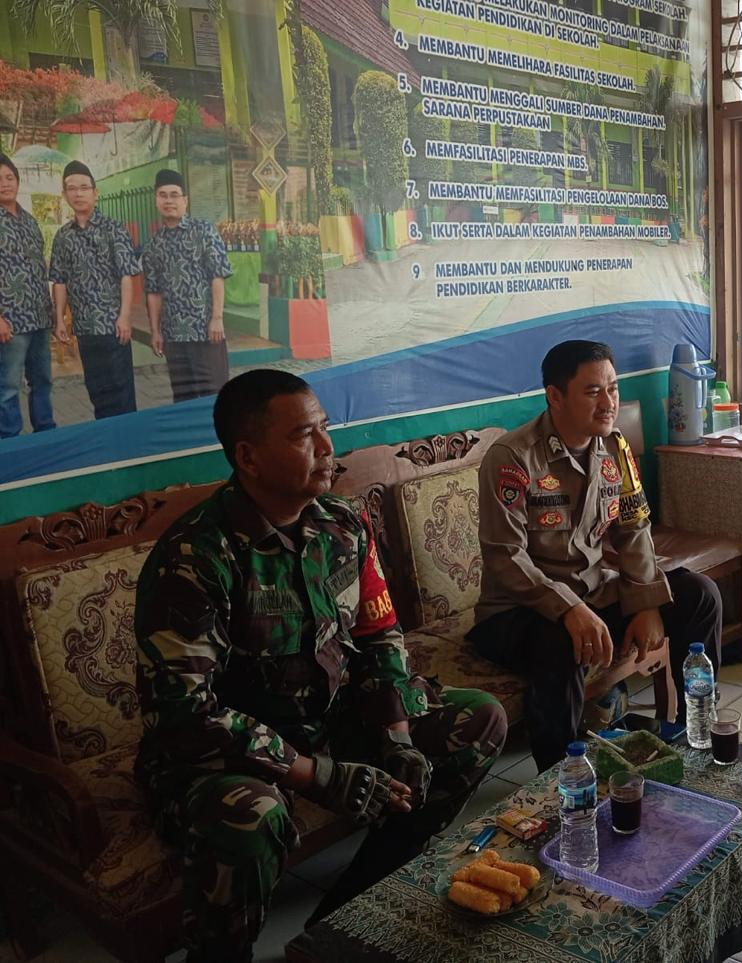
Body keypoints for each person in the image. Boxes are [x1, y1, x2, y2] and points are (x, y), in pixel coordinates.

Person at [134, 369, 507, 962]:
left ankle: (344, 923)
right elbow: (186, 713)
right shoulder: (197, 557)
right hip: (225, 754)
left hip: (329, 719)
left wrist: (396, 736)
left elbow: (380, 635)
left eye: (325, 428)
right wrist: (316, 775)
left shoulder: (343, 523)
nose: (328, 447)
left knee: (478, 720)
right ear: (248, 457)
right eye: (304, 435)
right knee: (251, 819)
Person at [468, 339, 723, 772]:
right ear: (555, 396)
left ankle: (695, 733)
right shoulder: (513, 458)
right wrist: (568, 609)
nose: (608, 403)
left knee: (699, 594)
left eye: (613, 388)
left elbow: (633, 529)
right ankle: (561, 777)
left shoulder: (614, 449)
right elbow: (505, 557)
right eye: (592, 392)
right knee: (561, 641)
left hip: (591, 596)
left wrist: (645, 603)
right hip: (516, 613)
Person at [50, 160, 143, 419]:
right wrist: (60, 319)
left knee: (121, 391)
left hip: (113, 326)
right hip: (85, 328)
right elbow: (59, 280)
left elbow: (126, 275)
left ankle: (126, 438)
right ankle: (106, 437)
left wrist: (125, 316)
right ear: (64, 195)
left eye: (84, 188)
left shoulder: (113, 229)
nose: (78, 193)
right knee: (97, 390)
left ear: (95, 192)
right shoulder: (63, 236)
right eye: (72, 188)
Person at [141, 169, 233, 402]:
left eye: (174, 195)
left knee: (216, 398)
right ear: (156, 200)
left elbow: (217, 276)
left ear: (185, 200)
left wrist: (217, 318)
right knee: (183, 399)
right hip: (174, 337)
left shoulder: (203, 231)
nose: (169, 200)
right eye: (163, 195)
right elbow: (153, 292)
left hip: (206, 332)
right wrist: (155, 331)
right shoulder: (153, 245)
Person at [0, 152, 55, 439]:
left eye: (9, 177)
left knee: (42, 380)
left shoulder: (30, 221)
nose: (5, 183)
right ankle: (9, 441)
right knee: (8, 387)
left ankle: (45, 433)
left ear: (18, 181)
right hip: (10, 322)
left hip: (40, 317)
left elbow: (39, 266)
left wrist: (52, 309)